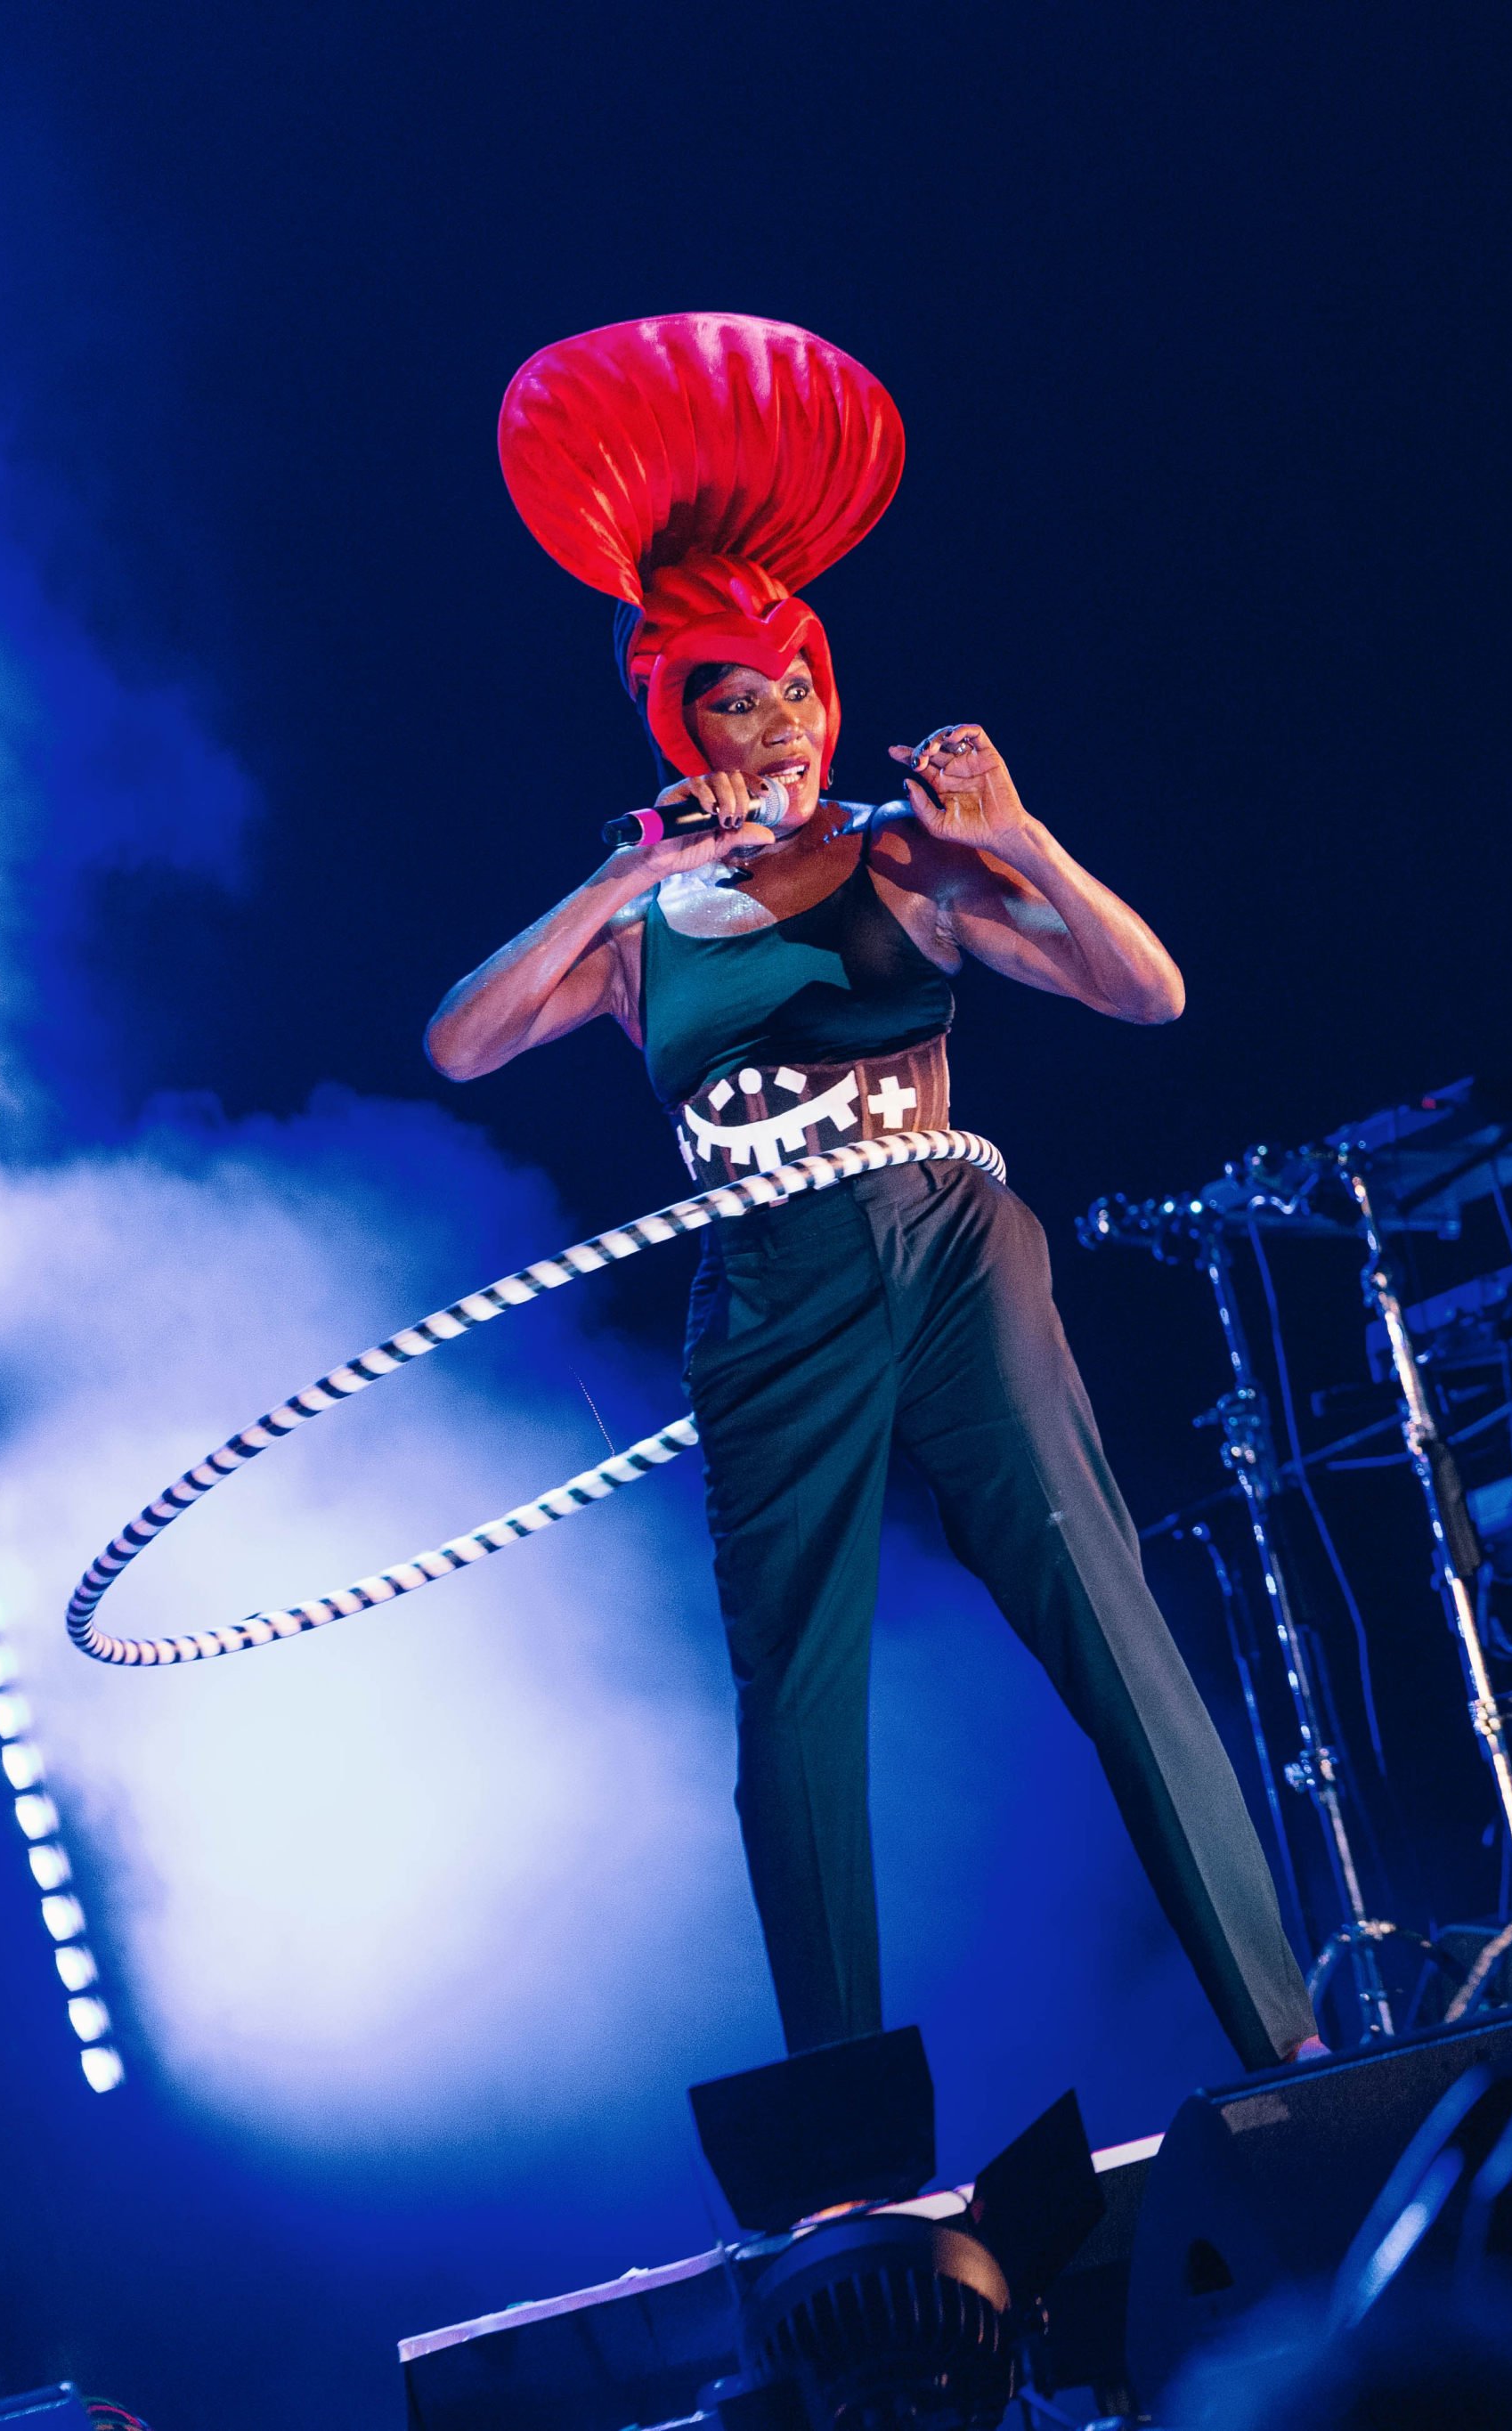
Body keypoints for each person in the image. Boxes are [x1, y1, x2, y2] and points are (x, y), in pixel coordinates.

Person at [428, 313, 1316, 2074]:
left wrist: (1024, 838)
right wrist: (617, 879)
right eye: (719, 706)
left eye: (778, 697)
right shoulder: (640, 927)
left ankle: (1283, 2040)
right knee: (791, 1700)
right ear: (673, 722)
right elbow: (458, 1046)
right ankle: (843, 2133)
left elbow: (1149, 997)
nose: (757, 732)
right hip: (765, 1291)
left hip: (942, 1244)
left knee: (1096, 1602)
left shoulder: (902, 858)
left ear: (819, 694)